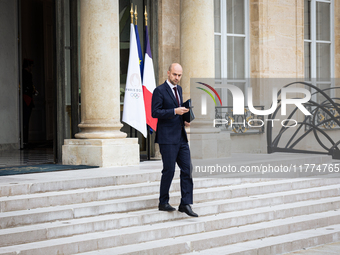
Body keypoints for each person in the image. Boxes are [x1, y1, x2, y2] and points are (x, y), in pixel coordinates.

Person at [151, 63, 198, 217]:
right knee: (169, 170)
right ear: (168, 73)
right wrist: (174, 111)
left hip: (181, 137)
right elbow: (155, 112)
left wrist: (184, 118)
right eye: (174, 75)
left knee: (187, 169)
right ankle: (163, 202)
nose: (177, 78)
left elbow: (178, 111)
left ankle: (185, 203)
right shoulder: (159, 91)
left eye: (179, 75)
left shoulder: (179, 89)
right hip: (167, 138)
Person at [22, 59, 37, 148]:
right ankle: (25, 141)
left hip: (26, 98)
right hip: (26, 99)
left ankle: (25, 141)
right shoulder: (27, 74)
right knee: (25, 121)